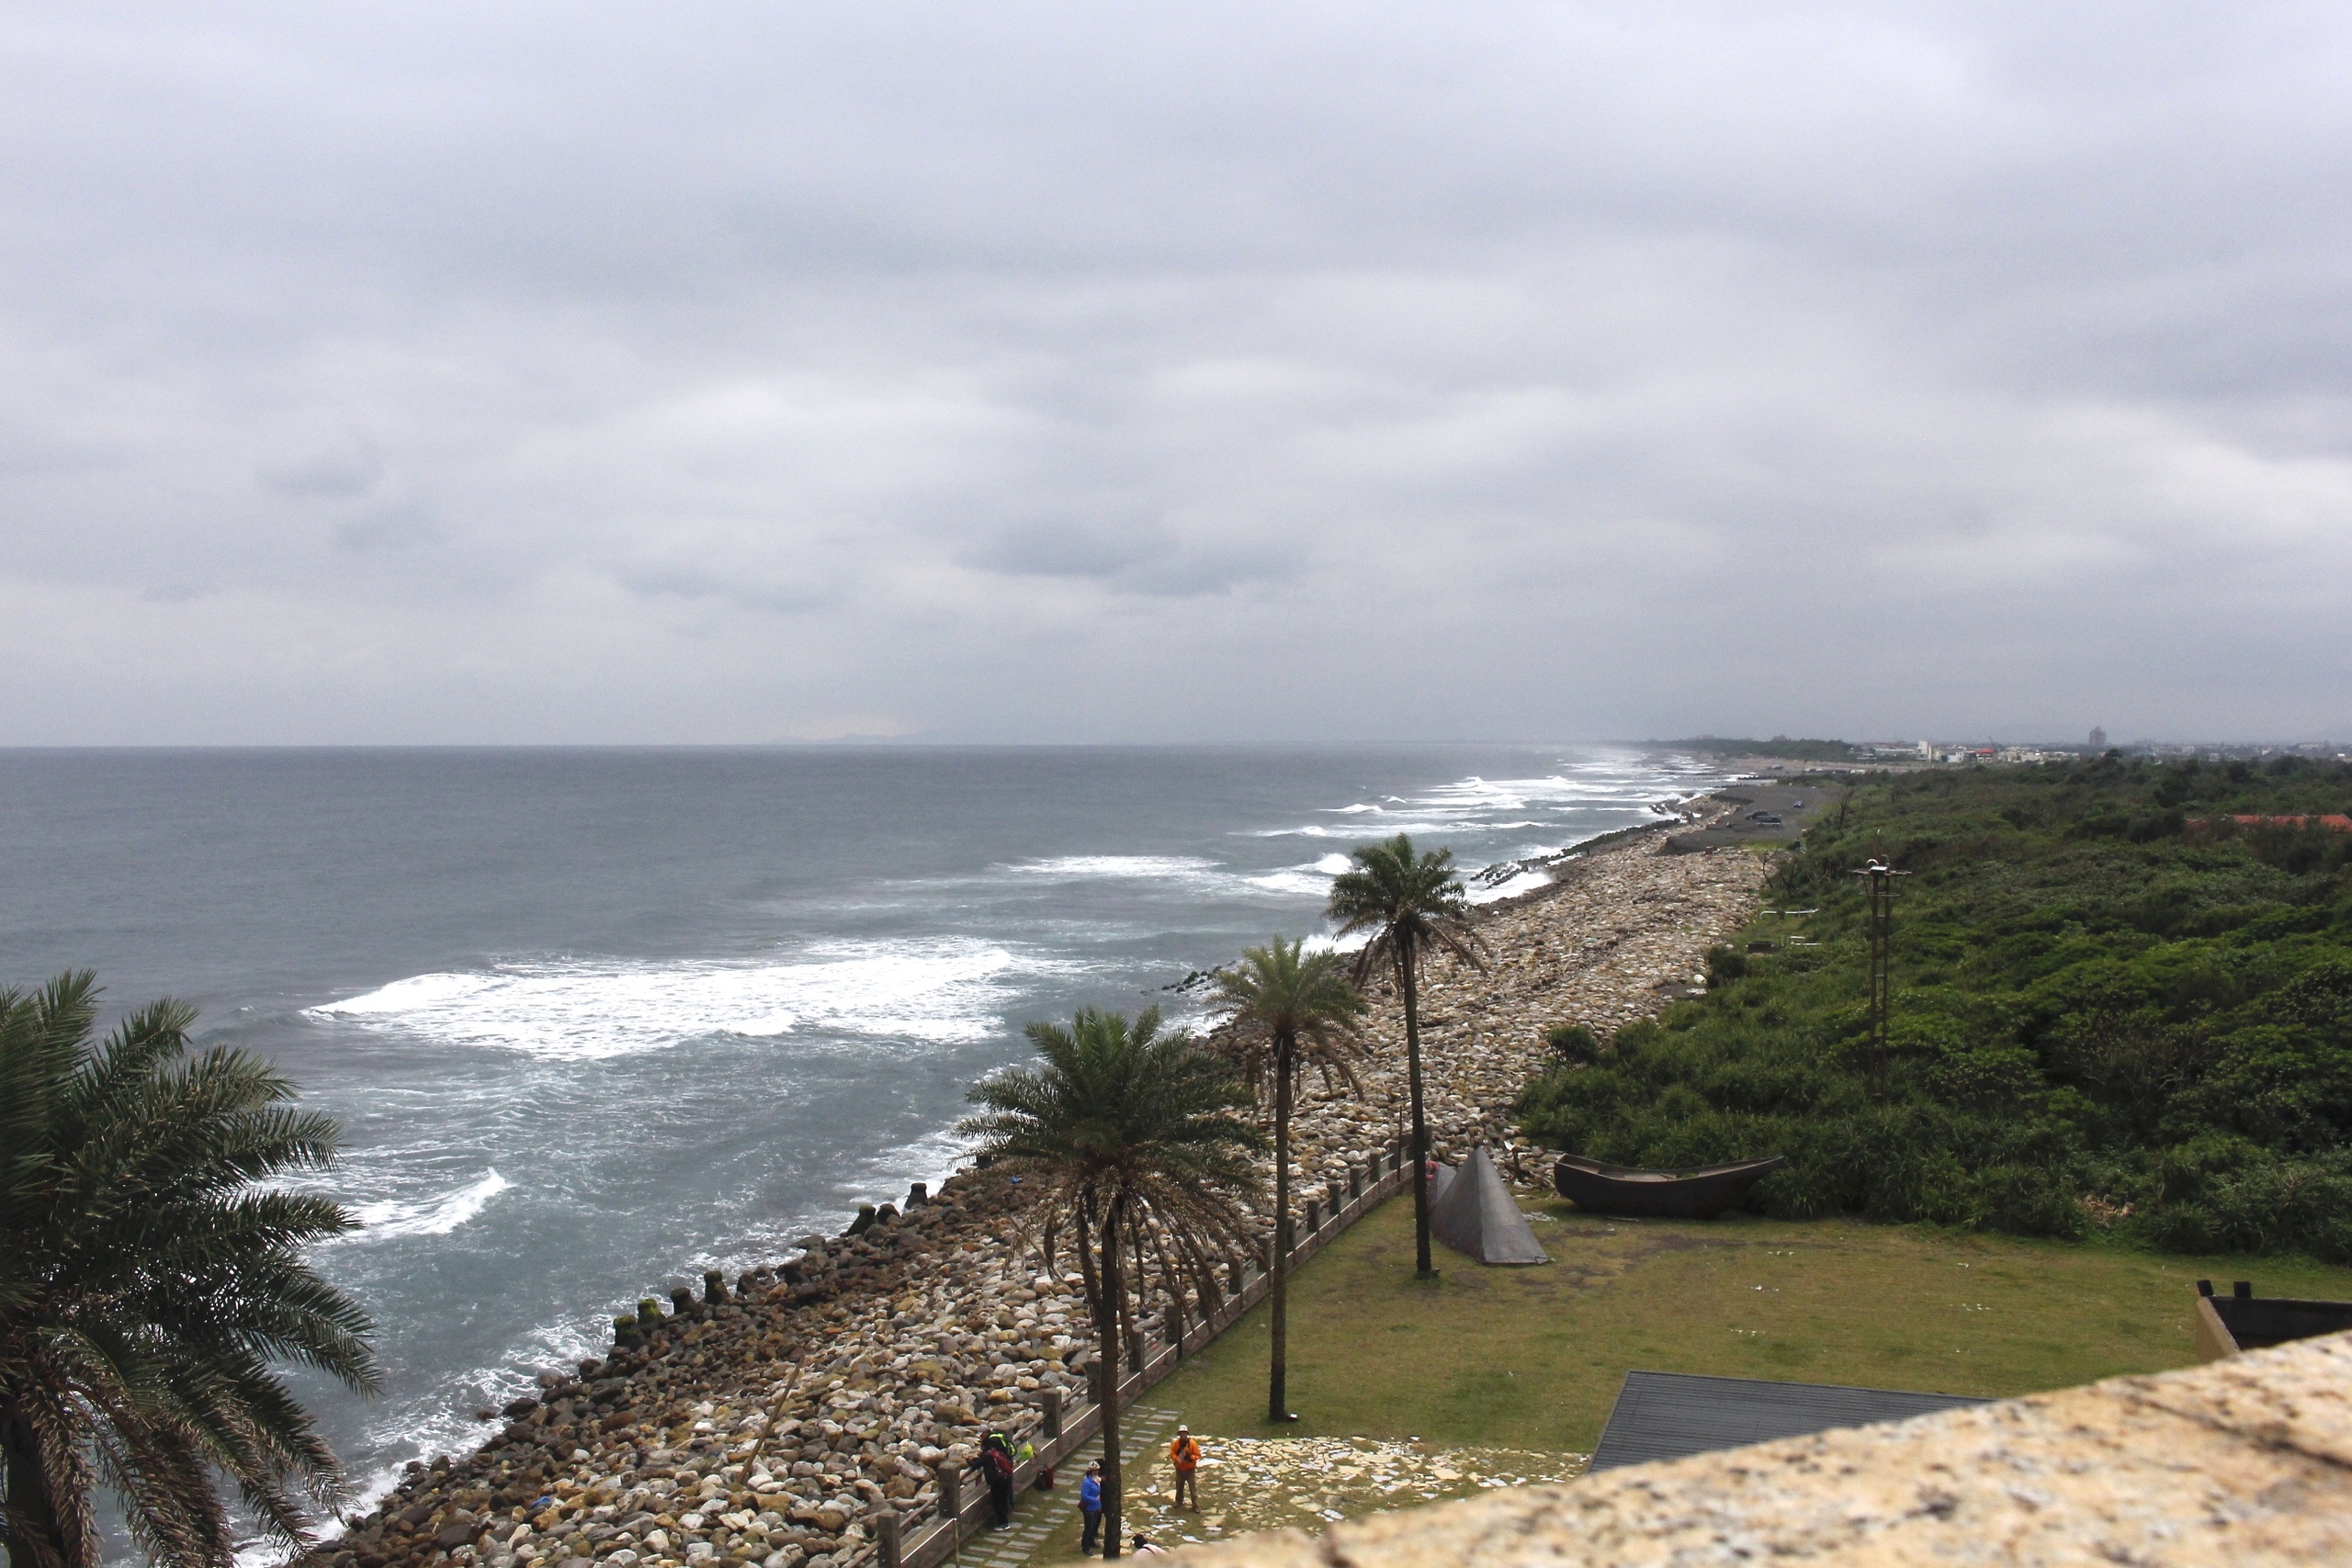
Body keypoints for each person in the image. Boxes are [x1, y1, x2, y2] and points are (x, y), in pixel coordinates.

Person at [969, 1432, 1016, 1529]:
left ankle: (1002, 1523)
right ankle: (1004, 1521)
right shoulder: (996, 1452)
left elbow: (975, 1466)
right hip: (1005, 1478)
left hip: (997, 1481)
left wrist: (967, 1459)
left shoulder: (986, 1455)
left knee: (997, 1502)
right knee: (1003, 1500)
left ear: (984, 1445)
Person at [1167, 1424, 1201, 1509]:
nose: (1183, 1435)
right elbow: (1172, 1453)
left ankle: (1195, 1505)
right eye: (1181, 1433)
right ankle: (1179, 1502)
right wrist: (1176, 1459)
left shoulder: (1192, 1444)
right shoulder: (1175, 1444)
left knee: (1193, 1488)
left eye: (1184, 1433)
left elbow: (1198, 1455)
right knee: (1179, 1487)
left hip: (1190, 1470)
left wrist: (1191, 1457)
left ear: (1187, 1434)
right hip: (1180, 1469)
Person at [1079, 1460, 1103, 1555]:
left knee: (1093, 1527)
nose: (1096, 1472)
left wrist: (1099, 1504)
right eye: (1094, 1470)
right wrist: (1095, 1500)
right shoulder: (1087, 1482)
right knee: (1088, 1528)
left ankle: (1091, 1542)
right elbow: (1084, 1496)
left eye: (1097, 1470)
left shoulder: (1097, 1480)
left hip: (1096, 1507)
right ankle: (1085, 1547)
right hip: (1089, 1508)